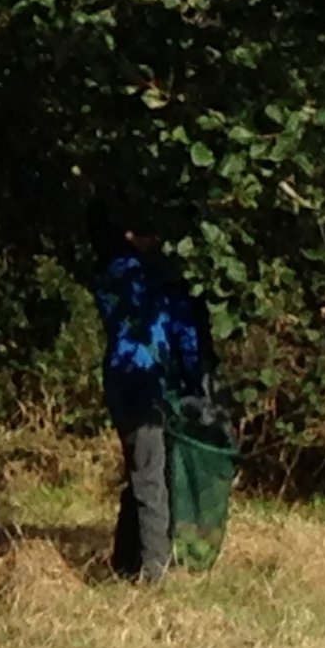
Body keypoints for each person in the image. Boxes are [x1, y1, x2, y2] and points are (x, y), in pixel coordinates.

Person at [86, 196, 205, 583]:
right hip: (150, 383)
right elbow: (184, 335)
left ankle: (125, 560)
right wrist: (194, 384)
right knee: (152, 479)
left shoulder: (108, 276)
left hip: (120, 381)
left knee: (142, 469)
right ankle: (154, 572)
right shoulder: (161, 282)